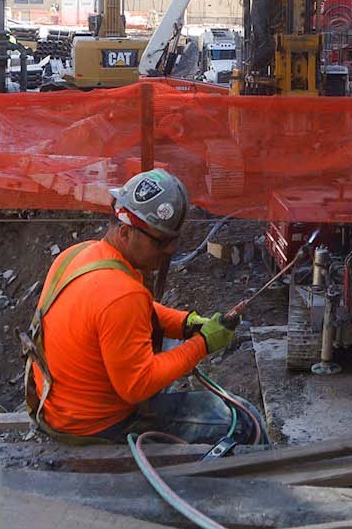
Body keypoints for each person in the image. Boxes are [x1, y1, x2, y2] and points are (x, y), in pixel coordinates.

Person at [24, 169, 240, 443]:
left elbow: (134, 310)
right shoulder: (122, 295)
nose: (169, 250)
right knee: (238, 422)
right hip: (97, 426)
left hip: (58, 411)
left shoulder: (80, 256)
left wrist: (187, 323)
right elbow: (138, 386)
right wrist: (202, 345)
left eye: (173, 240)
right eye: (161, 241)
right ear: (126, 232)